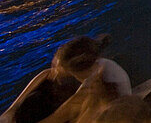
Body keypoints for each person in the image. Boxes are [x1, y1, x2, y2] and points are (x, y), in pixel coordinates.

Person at [1, 36, 131, 123]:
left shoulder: (95, 86)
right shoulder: (96, 67)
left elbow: (63, 114)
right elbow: (46, 74)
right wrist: (12, 109)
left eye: (57, 66)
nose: (55, 71)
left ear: (70, 70)